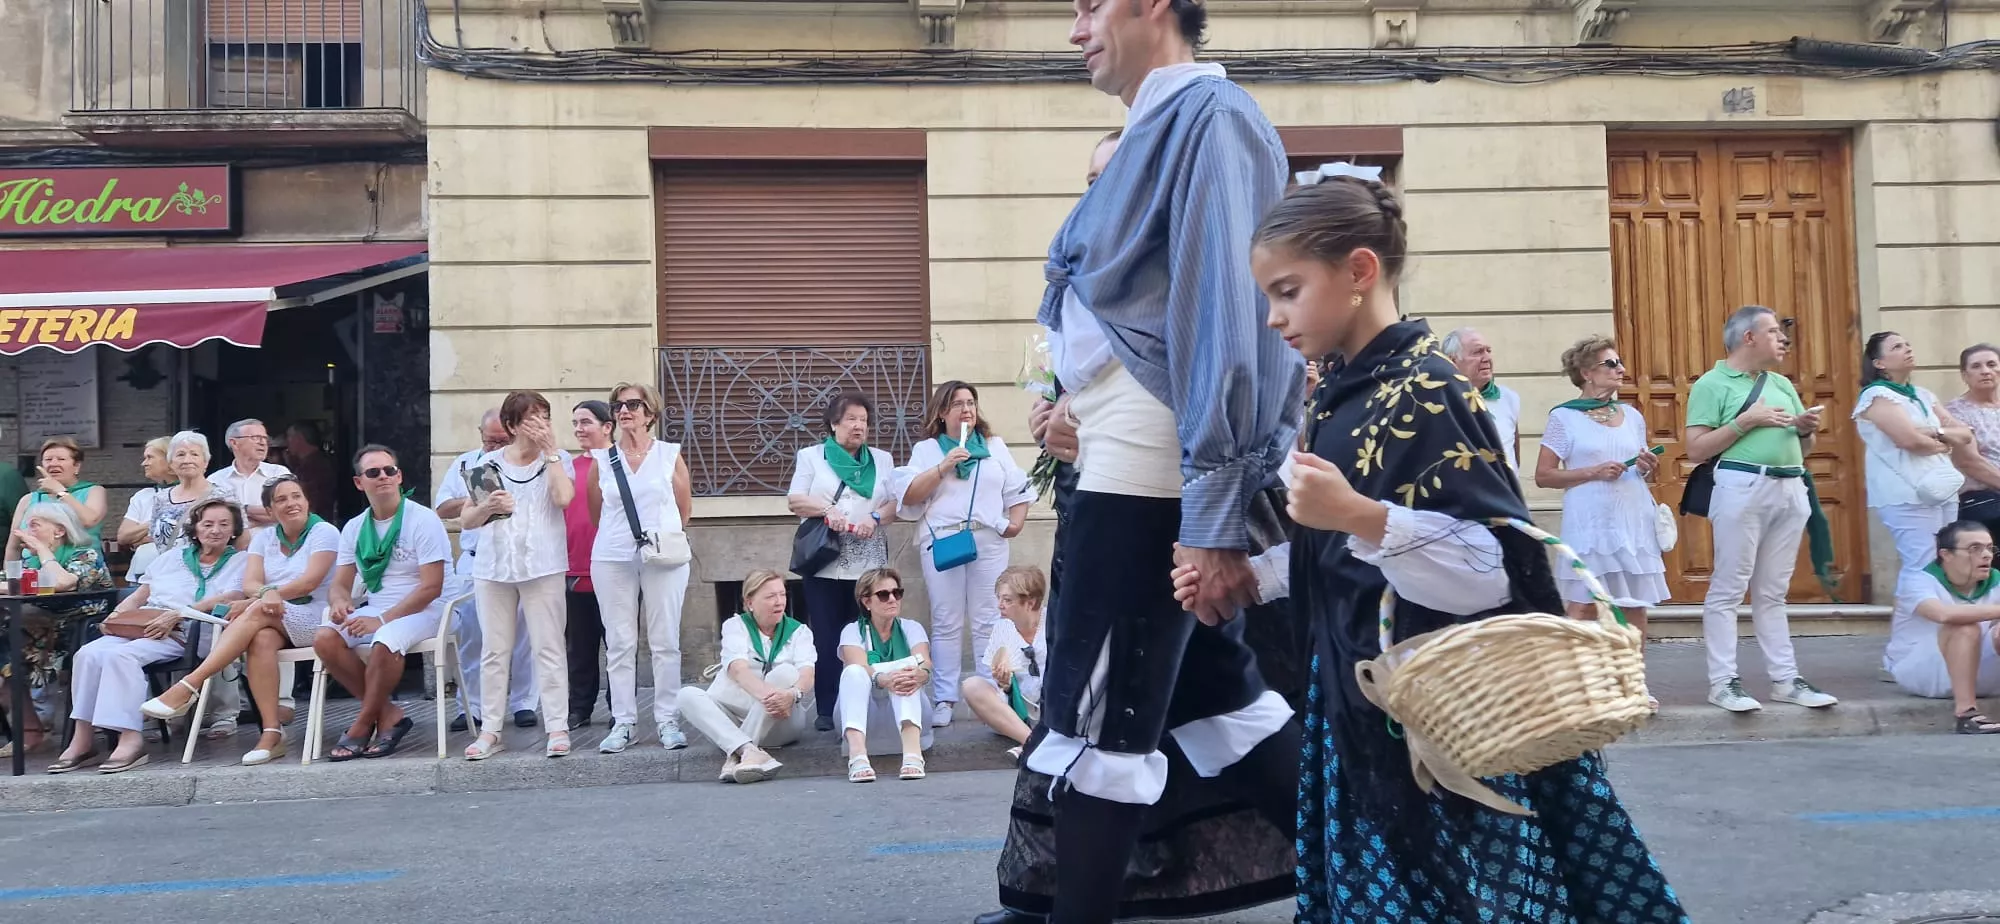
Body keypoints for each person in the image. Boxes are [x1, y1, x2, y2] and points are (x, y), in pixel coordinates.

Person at [1188, 172, 1687, 922]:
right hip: (1359, 706)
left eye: (1287, 292)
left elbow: (1491, 569)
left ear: (1359, 271)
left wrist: (1360, 514)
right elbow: (1339, 557)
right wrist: (1250, 581)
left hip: (1433, 724)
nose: (1272, 319)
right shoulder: (1338, 394)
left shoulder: (1428, 390)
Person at [1015, 3, 1311, 921]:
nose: (1075, 32)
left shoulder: (1214, 122)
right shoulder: (1161, 124)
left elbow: (1231, 312)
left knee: (1104, 708)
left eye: (1087, 7)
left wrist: (1215, 512)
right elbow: (1131, 317)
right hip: (1121, 442)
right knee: (1212, 693)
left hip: (1152, 456)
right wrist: (1077, 407)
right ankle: (1401, 881)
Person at [1684, 305, 1838, 713]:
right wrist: (1746, 422)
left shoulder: (1781, 383)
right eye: (1773, 331)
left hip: (1790, 486)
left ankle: (1785, 679)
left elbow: (1803, 450)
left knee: (1773, 591)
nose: (1783, 339)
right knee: (1729, 588)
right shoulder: (1712, 384)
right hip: (1741, 483)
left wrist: (1806, 431)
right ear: (1748, 337)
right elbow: (1696, 449)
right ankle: (1723, 682)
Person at [138, 476, 338, 765]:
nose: (291, 503)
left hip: (317, 617)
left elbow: (309, 583)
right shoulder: (264, 538)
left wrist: (265, 596)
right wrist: (264, 594)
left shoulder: (324, 532)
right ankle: (272, 734)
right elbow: (251, 582)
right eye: (281, 500)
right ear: (269, 510)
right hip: (274, 618)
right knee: (260, 638)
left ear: (306, 501)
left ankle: (189, 685)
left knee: (253, 611)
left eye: (297, 496)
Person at [48, 498, 249, 775]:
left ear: (234, 530)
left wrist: (179, 613)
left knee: (121, 657)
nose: (215, 530)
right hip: (146, 625)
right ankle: (83, 739)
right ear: (195, 528)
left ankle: (130, 738)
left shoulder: (242, 561)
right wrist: (116, 617)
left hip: (193, 629)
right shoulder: (171, 558)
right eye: (208, 524)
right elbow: (141, 595)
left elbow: (233, 596)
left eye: (224, 524)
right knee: (89, 653)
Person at [1534, 335, 1669, 697]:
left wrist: (1646, 466)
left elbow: (1641, 471)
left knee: (1635, 606)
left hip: (1630, 518)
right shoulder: (1564, 417)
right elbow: (1544, 475)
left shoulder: (1633, 417)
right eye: (1611, 364)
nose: (1621, 370)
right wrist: (1592, 472)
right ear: (1586, 372)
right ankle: (1572, 688)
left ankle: (1633, 685)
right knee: (1582, 605)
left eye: (1620, 363)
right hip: (1590, 521)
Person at [896, 381, 1033, 728]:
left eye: (971, 402)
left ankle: (992, 695)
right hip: (944, 542)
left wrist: (1014, 525)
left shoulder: (993, 446)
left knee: (991, 617)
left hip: (987, 540)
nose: (966, 409)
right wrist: (943, 466)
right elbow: (909, 496)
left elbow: (1018, 489)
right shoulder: (927, 450)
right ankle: (945, 698)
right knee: (946, 621)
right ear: (942, 413)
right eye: (957, 403)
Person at [312, 445, 452, 761]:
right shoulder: (354, 527)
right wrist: (339, 603)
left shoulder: (423, 520)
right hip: (379, 607)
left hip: (429, 609)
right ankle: (388, 714)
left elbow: (432, 587)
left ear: (399, 476)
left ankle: (362, 723)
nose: (383, 477)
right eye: (373, 473)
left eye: (389, 470)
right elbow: (340, 585)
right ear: (359, 483)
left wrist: (382, 620)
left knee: (385, 640)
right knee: (325, 637)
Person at [460, 391, 576, 760]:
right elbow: (466, 520)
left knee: (550, 647)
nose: (539, 424)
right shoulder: (487, 464)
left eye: (544, 415)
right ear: (511, 426)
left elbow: (563, 499)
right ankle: (491, 730)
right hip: (494, 567)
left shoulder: (558, 460)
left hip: (543, 565)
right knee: (495, 650)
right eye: (530, 418)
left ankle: (558, 726)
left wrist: (552, 451)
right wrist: (487, 506)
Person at [1857, 331, 1974, 676]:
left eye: (1908, 344)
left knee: (1943, 566)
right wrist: (1937, 437)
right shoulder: (1875, 395)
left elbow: (1965, 434)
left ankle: (1925, 648)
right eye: (1896, 347)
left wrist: (1934, 434)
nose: (1907, 350)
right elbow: (1907, 440)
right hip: (1904, 494)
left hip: (1939, 488)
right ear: (1878, 363)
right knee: (1921, 566)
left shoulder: (1922, 394)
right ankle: (1901, 652)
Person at [586, 382, 694, 753]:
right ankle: (624, 721)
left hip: (663, 554)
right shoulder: (602, 459)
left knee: (665, 640)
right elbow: (596, 513)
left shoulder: (668, 454)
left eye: (633, 404)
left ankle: (667, 719)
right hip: (613, 556)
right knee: (619, 642)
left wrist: (657, 537)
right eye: (617, 406)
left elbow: (684, 511)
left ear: (651, 413)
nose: (624, 411)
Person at [788, 391, 896, 733]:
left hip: (869, 562)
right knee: (827, 634)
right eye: (850, 419)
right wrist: (826, 510)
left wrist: (876, 517)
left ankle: (869, 700)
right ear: (834, 423)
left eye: (863, 420)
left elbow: (897, 503)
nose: (858, 426)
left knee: (868, 632)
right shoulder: (811, 456)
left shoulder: (882, 459)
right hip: (826, 560)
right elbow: (795, 500)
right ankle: (827, 705)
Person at [435, 409, 537, 733]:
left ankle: (524, 703)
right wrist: (476, 497)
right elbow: (441, 507)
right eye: (488, 440)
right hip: (476, 555)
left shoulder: (523, 461)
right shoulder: (465, 463)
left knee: (524, 632)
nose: (494, 446)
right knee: (473, 634)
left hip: (518, 555)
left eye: (501, 440)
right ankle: (472, 707)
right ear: (480, 433)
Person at [677, 570, 816, 784]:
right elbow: (738, 670)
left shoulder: (799, 632)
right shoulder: (735, 626)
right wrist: (768, 696)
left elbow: (807, 674)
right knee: (686, 695)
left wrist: (791, 695)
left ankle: (735, 754)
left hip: (782, 720)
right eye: (770, 597)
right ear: (749, 602)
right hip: (738, 716)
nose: (779, 602)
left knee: (785, 673)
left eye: (782, 594)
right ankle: (749, 751)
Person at [0, 502, 114, 759]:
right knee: (4, 649)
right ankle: (30, 730)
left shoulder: (85, 555)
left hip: (82, 633)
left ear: (59, 530)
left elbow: (62, 582)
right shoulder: (35, 560)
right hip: (42, 629)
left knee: (9, 649)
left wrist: (41, 550)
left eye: (35, 525)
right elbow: (17, 584)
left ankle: (34, 731)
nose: (27, 531)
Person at [1888, 520, 2000, 732]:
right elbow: (1942, 614)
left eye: (1989, 548)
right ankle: (1966, 714)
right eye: (1974, 548)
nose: (1986, 555)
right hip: (1924, 672)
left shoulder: (1996, 581)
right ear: (1945, 554)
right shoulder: (1918, 581)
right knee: (1964, 627)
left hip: (1980, 672)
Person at [837, 568, 932, 783]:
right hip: (864, 713)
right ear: (866, 602)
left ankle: (913, 754)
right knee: (853, 671)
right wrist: (883, 679)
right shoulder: (852, 631)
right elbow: (859, 663)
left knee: (906, 672)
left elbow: (925, 662)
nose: (892, 599)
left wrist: (920, 674)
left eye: (897, 593)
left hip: (911, 711)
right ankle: (858, 756)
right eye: (883, 594)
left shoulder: (912, 628)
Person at [960, 566, 1046, 759]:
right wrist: (1005, 684)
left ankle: (1033, 744)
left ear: (1030, 603)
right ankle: (1033, 742)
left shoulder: (1053, 623)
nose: (1000, 605)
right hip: (1022, 711)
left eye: (1007, 600)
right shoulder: (1002, 628)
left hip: (1056, 706)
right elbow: (1006, 689)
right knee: (971, 686)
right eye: (999, 598)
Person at [564, 400, 614, 728]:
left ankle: (620, 709)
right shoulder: (567, 467)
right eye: (576, 423)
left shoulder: (620, 462)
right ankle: (579, 708)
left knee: (618, 646)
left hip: (615, 569)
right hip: (573, 568)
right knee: (579, 647)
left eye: (586, 422)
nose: (579, 429)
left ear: (607, 426)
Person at [6, 437, 108, 559]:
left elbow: (89, 520)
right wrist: (9, 575)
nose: (53, 463)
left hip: (80, 569)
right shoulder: (28, 500)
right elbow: (14, 547)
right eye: (48, 459)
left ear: (76, 466)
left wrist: (60, 491)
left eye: (61, 459)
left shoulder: (94, 491)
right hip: (34, 570)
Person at [1441, 327, 1523, 471]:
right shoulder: (1440, 401)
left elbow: (1513, 456)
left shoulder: (1508, 398)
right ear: (1452, 361)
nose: (1487, 358)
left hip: (1502, 491)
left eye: (1488, 351)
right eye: (1478, 352)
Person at [1947, 344, 2000, 536]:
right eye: (1976, 366)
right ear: (1964, 375)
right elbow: (1968, 462)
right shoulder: (1955, 412)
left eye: (1991, 364)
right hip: (1982, 499)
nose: (1985, 371)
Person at [209, 419, 292, 529]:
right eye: (255, 437)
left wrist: (243, 510)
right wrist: (264, 515)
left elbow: (287, 512)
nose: (262, 443)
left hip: (274, 544)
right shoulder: (216, 480)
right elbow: (215, 521)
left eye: (265, 438)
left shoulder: (279, 473)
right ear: (234, 443)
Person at [114, 437, 174, 586]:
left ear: (168, 459)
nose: (144, 463)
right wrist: (157, 524)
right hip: (141, 574)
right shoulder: (143, 496)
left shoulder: (195, 494)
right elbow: (123, 537)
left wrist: (144, 536)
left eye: (150, 457)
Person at [284, 421, 340, 521]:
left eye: (289, 437)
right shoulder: (303, 464)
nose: (287, 442)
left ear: (299, 438)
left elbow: (312, 501)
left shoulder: (317, 465)